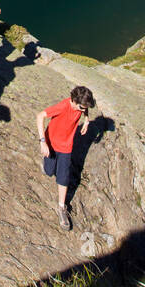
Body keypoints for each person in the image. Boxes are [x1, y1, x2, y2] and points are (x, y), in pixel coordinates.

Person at [37, 86, 96, 231]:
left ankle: (62, 207)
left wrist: (87, 120)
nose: (83, 110)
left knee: (63, 177)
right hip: (51, 142)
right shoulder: (63, 106)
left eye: (85, 108)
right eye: (81, 108)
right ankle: (47, 164)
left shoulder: (81, 106)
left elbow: (85, 108)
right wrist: (43, 141)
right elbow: (40, 116)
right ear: (74, 101)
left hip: (66, 146)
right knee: (49, 170)